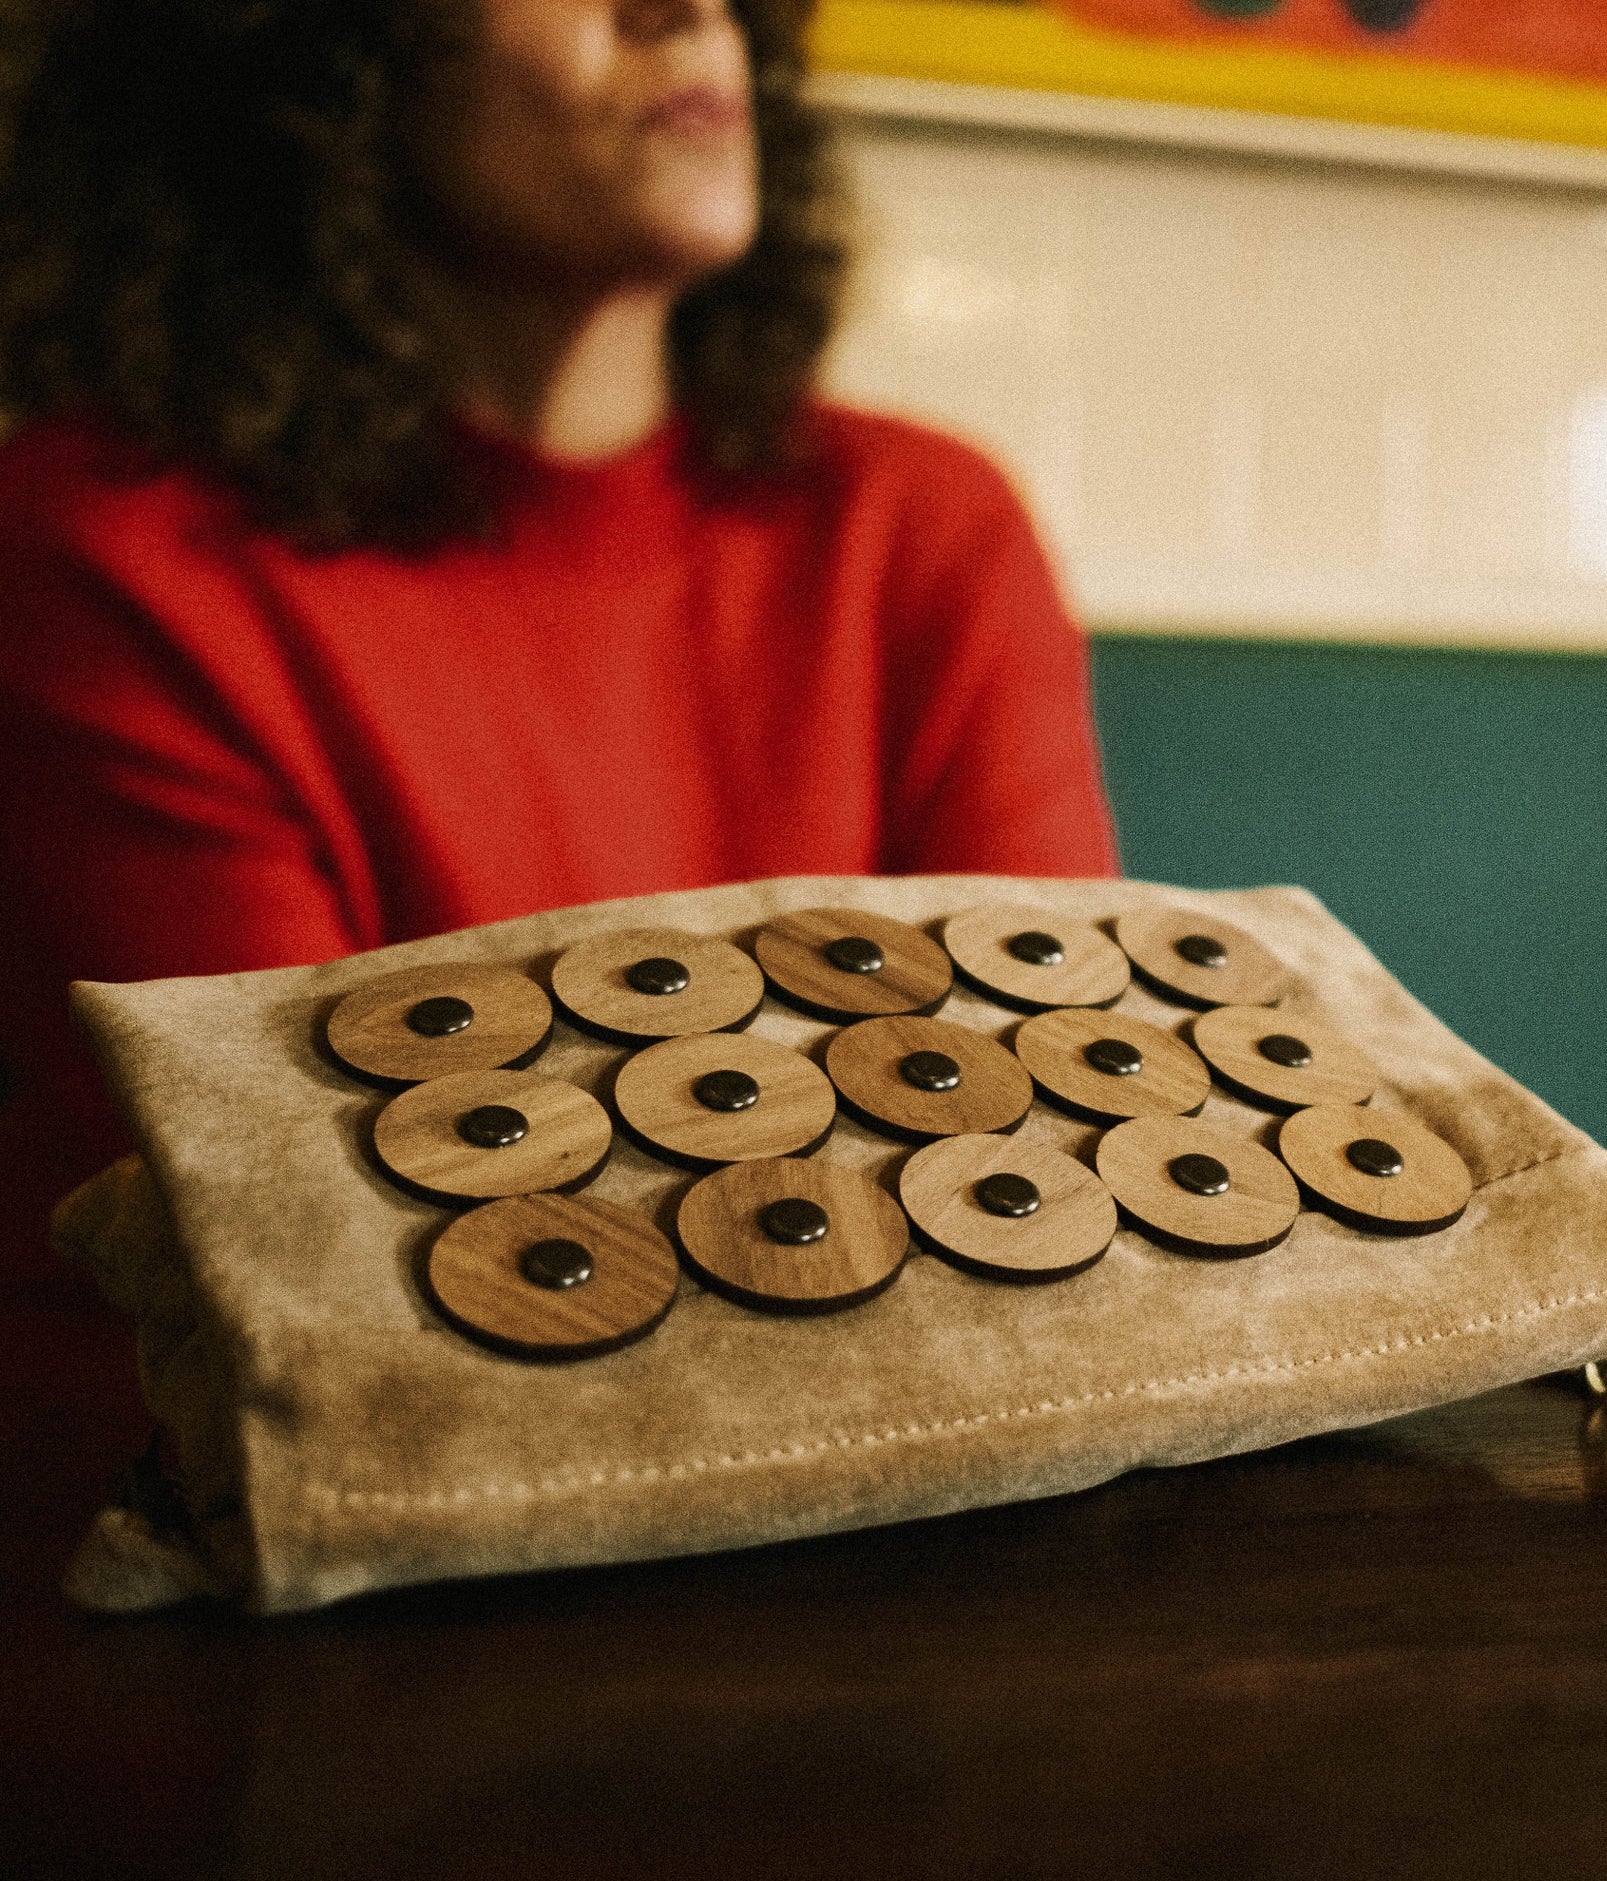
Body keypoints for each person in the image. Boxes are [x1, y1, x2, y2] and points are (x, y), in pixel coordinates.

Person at [0, 0, 1119, 1296]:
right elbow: (323, 1249)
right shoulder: (103, 552)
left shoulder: (920, 526)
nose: (689, 12)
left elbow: (1033, 1162)